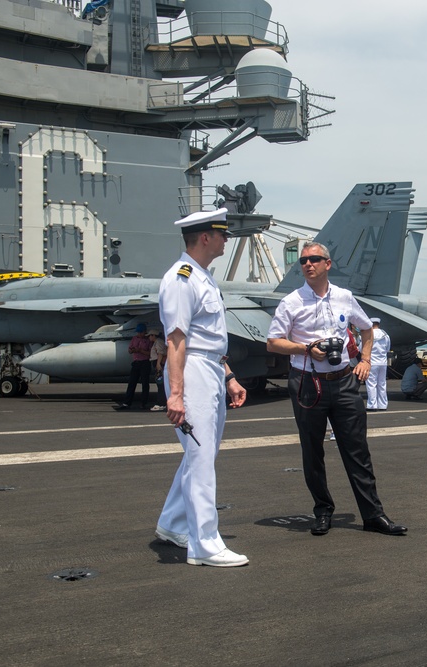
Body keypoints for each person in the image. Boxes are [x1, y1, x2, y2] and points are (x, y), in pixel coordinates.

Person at [266, 242, 407, 537]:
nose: (308, 264)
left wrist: (365, 360)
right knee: (312, 451)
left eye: (314, 259)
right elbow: (273, 342)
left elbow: (366, 329)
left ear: (327, 264)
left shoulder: (345, 297)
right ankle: (322, 511)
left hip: (344, 381)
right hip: (307, 382)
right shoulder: (291, 302)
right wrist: (306, 348)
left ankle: (373, 516)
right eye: (303, 260)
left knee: (357, 451)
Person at [153, 207, 249, 567]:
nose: (226, 239)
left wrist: (229, 376)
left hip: (209, 367)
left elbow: (208, 338)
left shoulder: (204, 278)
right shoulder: (182, 279)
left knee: (202, 454)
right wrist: (175, 394)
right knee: (200, 456)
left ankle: (173, 523)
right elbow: (177, 340)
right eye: (223, 234)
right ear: (206, 237)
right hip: (190, 371)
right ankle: (205, 544)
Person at [116, 324, 153, 410]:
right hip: (136, 362)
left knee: (145, 383)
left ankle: (144, 403)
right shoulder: (134, 339)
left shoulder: (148, 340)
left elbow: (150, 353)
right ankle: (127, 402)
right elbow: (129, 350)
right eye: (138, 332)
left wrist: (140, 350)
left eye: (141, 332)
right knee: (132, 383)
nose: (139, 334)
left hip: (145, 363)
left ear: (144, 332)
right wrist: (133, 350)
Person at [365, 317, 390, 410]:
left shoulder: (368, 334)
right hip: (383, 362)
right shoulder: (385, 335)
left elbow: (361, 348)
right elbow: (387, 348)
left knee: (371, 384)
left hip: (371, 362)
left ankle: (372, 405)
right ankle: (383, 405)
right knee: (382, 384)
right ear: (378, 324)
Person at [148, 329, 168, 412]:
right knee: (160, 384)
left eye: (150, 335)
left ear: (153, 335)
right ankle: (162, 402)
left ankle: (161, 403)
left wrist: (158, 364)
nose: (149, 337)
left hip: (159, 363)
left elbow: (160, 353)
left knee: (161, 384)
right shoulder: (157, 342)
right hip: (158, 362)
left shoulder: (158, 342)